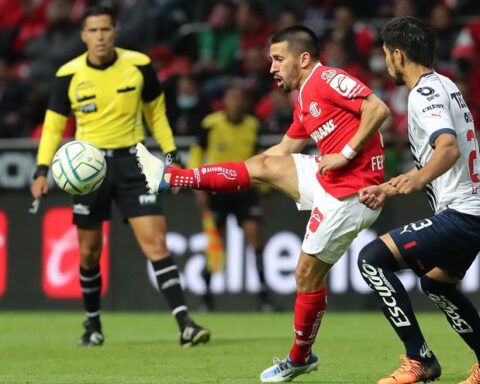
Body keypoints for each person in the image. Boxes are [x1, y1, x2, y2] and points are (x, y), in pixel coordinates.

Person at [136, 25, 390, 382]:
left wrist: (345, 154)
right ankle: (173, 177)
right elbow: (282, 151)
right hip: (330, 179)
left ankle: (300, 357)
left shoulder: (328, 78)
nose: (271, 67)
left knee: (305, 274)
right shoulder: (303, 97)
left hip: (354, 192)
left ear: (303, 59)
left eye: (278, 58)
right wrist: (247, 171)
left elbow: (377, 108)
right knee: (263, 164)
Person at [30, 5, 210, 348]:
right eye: (93, 31)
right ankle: (93, 325)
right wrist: (42, 171)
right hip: (88, 170)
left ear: (115, 32)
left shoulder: (139, 66)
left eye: (105, 30)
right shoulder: (68, 74)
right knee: (88, 253)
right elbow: (53, 127)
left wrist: (171, 157)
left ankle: (185, 323)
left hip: (133, 161)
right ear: (83, 35)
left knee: (157, 243)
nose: (99, 37)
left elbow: (157, 115)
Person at [357, 16, 480, 384]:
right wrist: (390, 187)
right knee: (435, 283)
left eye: (385, 55)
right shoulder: (444, 85)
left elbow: (448, 148)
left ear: (397, 54)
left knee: (372, 259)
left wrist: (415, 178)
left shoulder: (423, 94)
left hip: (463, 214)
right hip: (470, 210)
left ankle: (419, 359)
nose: (384, 63)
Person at [188, 85, 275, 311]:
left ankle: (263, 298)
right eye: (232, 97)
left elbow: (261, 159)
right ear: (224, 101)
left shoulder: (253, 125)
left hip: (245, 188)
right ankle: (206, 299)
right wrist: (197, 185)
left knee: (255, 237)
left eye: (240, 97)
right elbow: (197, 153)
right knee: (215, 243)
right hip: (217, 188)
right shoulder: (211, 124)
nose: (236, 102)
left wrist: (265, 191)